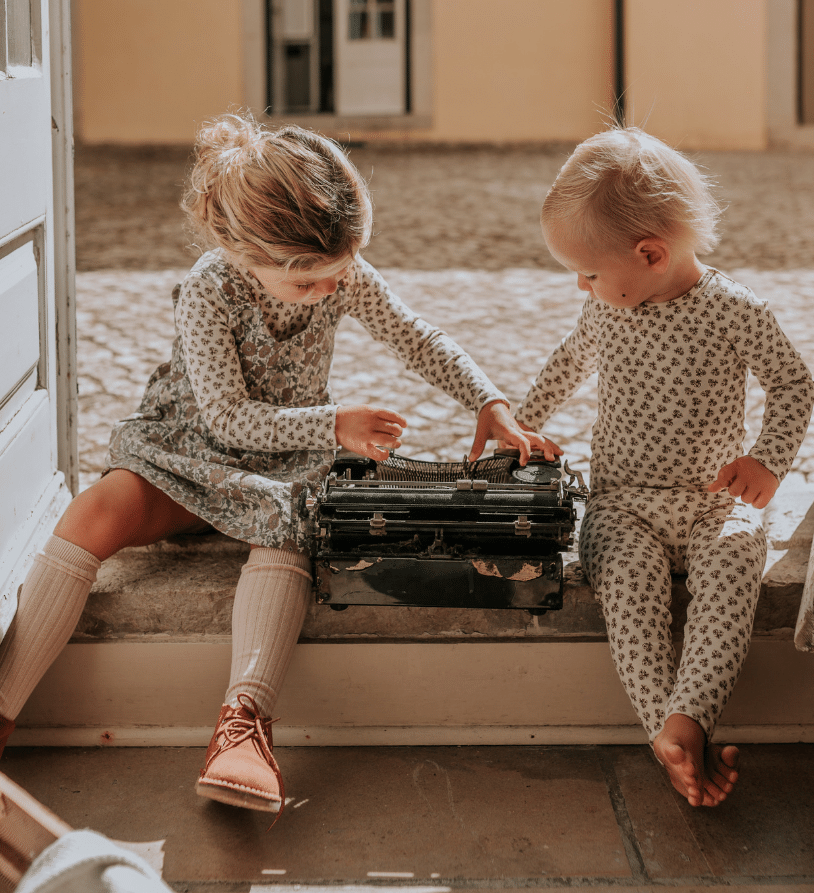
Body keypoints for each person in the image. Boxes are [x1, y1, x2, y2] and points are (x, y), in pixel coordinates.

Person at [0, 112, 559, 820]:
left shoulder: (337, 271)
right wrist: (336, 423)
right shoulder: (210, 290)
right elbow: (226, 418)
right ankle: (4, 704)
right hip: (191, 454)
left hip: (282, 467)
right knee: (96, 510)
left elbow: (415, 336)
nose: (329, 293)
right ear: (243, 254)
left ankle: (245, 724)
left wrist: (489, 398)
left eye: (337, 278)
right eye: (308, 287)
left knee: (287, 527)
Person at [512, 126, 814, 807]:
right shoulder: (604, 314)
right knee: (627, 586)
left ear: (649, 253)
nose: (582, 288)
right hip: (622, 502)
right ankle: (668, 727)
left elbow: (792, 384)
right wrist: (520, 429)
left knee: (735, 569)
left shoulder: (735, 310)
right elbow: (561, 371)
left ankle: (691, 716)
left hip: (713, 501)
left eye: (589, 272)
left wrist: (767, 460)